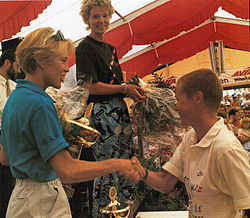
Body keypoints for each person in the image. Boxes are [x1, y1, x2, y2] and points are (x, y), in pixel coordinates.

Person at [0, 27, 143, 218]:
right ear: (41, 61)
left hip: (21, 199)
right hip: (44, 201)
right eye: (62, 60)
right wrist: (116, 164)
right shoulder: (40, 104)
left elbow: (5, 158)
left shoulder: (14, 99)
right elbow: (67, 170)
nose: (67, 68)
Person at [134, 69, 250, 217]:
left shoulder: (225, 148)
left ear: (197, 98)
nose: (176, 107)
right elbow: (166, 182)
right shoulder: (190, 138)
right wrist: (141, 172)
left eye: (178, 100)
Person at [75, 0, 146, 217]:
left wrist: (134, 92)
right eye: (96, 16)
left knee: (124, 164)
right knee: (106, 167)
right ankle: (104, 213)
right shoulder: (84, 48)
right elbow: (89, 86)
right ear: (87, 19)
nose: (101, 21)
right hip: (101, 115)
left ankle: (122, 210)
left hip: (119, 114)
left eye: (105, 16)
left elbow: (117, 83)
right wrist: (124, 88)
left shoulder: (111, 49)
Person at [0, 49, 21, 218]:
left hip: (11, 140)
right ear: (7, 63)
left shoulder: (14, 86)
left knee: (8, 185)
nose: (19, 70)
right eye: (16, 65)